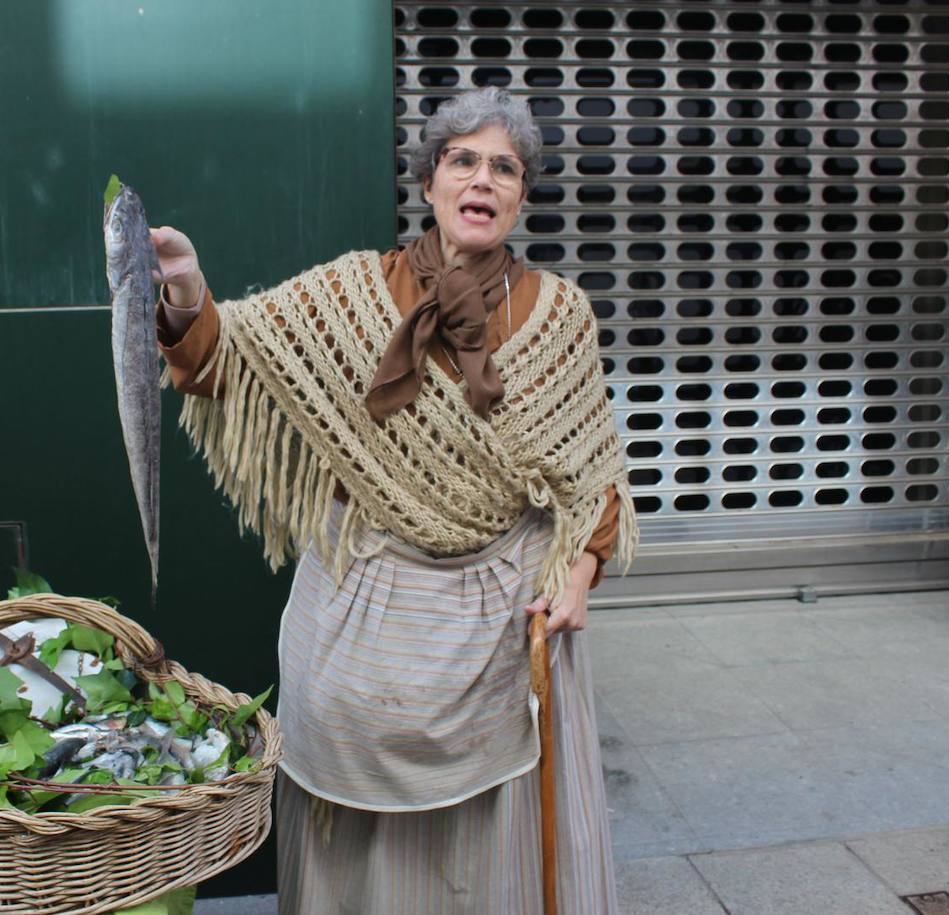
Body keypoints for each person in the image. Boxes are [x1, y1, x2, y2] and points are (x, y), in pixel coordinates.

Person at [153, 87, 635, 913]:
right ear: (431, 180)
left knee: (494, 843)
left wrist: (582, 572)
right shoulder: (353, 294)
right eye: (463, 160)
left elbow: (594, 471)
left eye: (504, 168)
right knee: (363, 836)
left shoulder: (560, 315)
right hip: (365, 610)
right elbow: (225, 356)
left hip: (506, 613)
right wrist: (188, 290)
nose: (482, 179)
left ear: (522, 194)